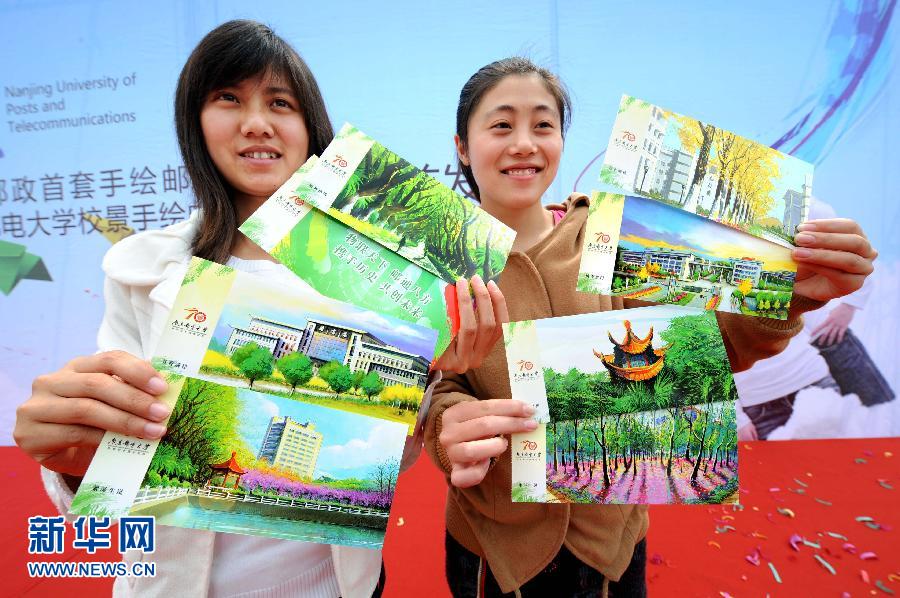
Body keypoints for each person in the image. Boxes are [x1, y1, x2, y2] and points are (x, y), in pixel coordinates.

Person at [422, 57, 878, 597]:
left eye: (543, 124)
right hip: (495, 548)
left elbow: (713, 344)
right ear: (461, 147)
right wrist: (447, 427)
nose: (524, 143)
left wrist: (791, 291)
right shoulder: (431, 260)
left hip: (613, 544)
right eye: (501, 125)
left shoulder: (617, 238)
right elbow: (436, 382)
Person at [14, 20, 390, 598]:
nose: (256, 122)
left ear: (311, 129)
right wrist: (71, 458)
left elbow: (384, 459)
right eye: (229, 98)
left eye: (280, 103)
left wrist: (434, 385)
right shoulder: (143, 270)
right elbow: (111, 469)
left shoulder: (374, 272)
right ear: (195, 123)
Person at [735, 200, 894, 441]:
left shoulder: (802, 207)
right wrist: (737, 418)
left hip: (812, 376)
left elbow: (854, 256)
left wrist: (849, 306)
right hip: (756, 402)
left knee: (856, 451)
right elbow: (697, 350)